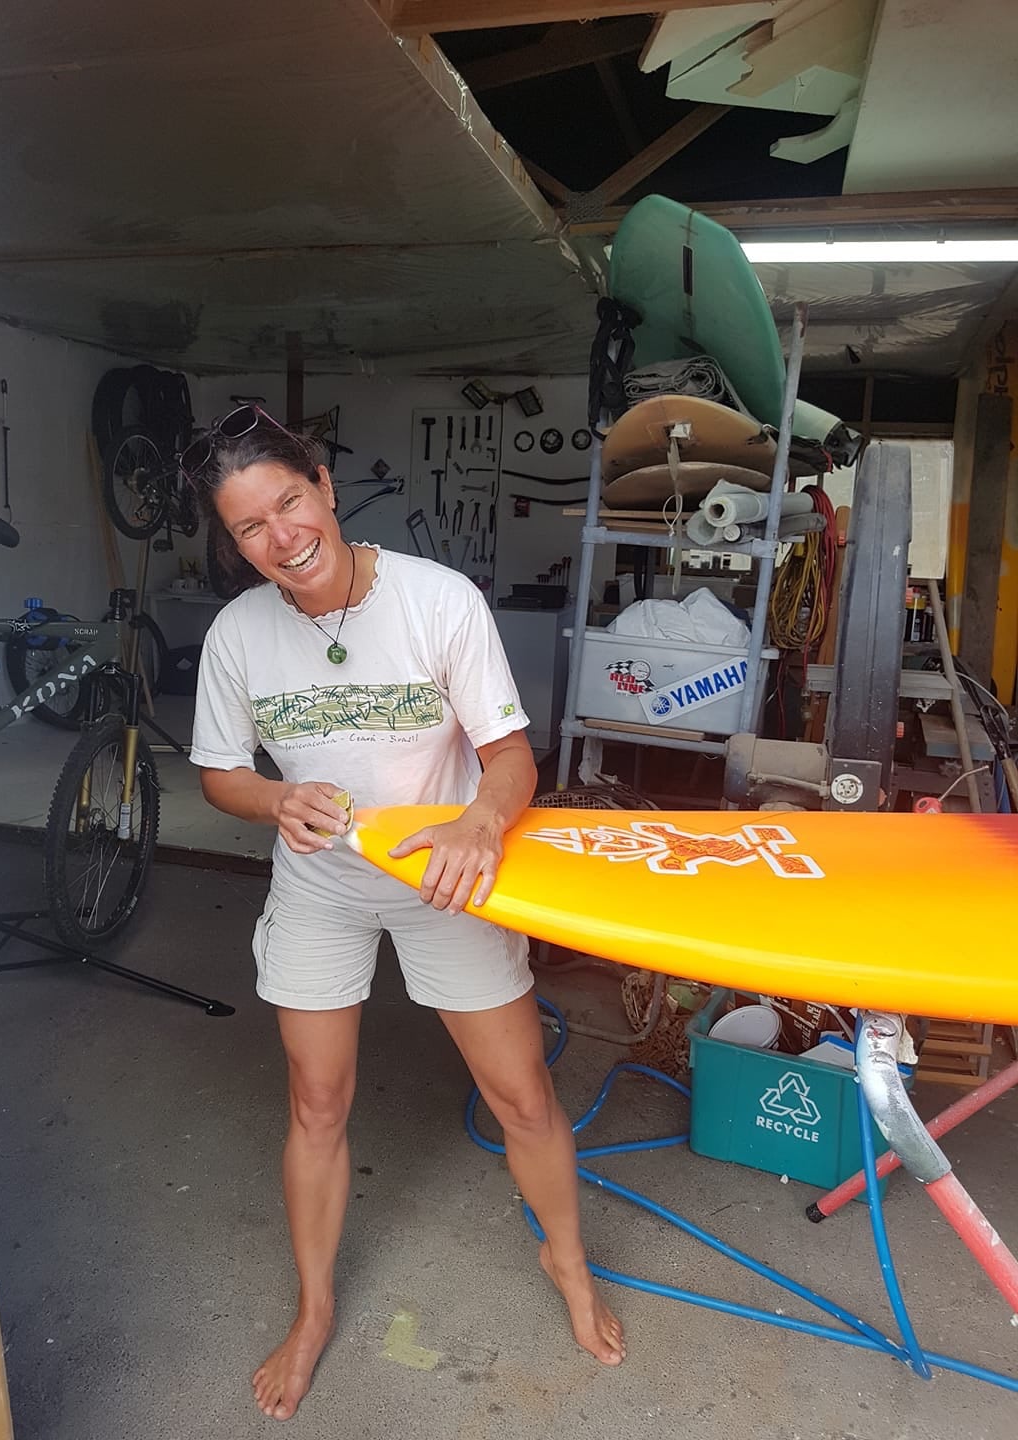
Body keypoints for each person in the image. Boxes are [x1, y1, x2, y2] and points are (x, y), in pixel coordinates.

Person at [186, 407, 624, 1421]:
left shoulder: (438, 601)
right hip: (320, 886)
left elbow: (509, 754)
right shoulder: (236, 634)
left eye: (288, 502)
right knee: (316, 1105)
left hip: (446, 881)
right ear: (232, 540)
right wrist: (271, 797)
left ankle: (568, 1264)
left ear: (326, 487)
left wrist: (480, 822)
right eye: (248, 527)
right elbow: (218, 774)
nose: (279, 537)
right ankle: (313, 1311)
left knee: (520, 1096)